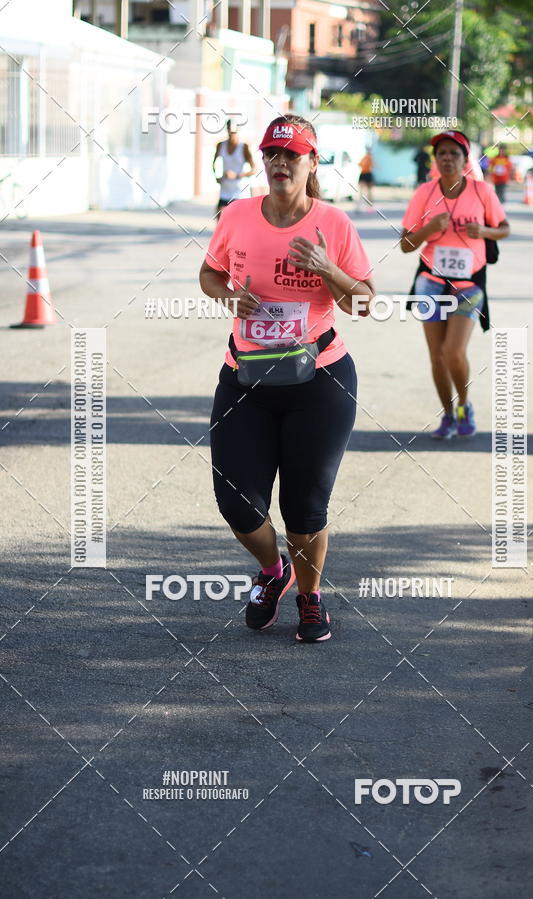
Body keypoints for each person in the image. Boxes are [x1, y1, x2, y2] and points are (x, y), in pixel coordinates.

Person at [199, 114, 374, 642]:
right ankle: (274, 571)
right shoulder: (238, 215)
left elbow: (363, 300)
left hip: (319, 383)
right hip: (245, 380)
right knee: (235, 500)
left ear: (311, 162)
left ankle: (309, 595)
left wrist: (326, 267)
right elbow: (209, 273)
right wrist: (229, 294)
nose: (279, 163)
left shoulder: (334, 224)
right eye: (272, 154)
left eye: (291, 154)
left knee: (304, 509)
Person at [400, 130, 510, 439]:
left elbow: (504, 228)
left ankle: (464, 405)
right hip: (430, 282)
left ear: (465, 159)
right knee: (436, 355)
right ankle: (447, 415)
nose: (447, 158)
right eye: (442, 154)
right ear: (436, 160)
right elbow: (406, 244)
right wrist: (429, 229)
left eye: (454, 153)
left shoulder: (482, 191)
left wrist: (484, 232)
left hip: (468, 284)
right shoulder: (424, 193)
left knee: (453, 352)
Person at [213, 119, 256, 218]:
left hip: (240, 192)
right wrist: (216, 177)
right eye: (229, 130)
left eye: (233, 131)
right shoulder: (221, 145)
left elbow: (254, 169)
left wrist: (236, 175)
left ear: (237, 130)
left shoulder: (243, 147)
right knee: (219, 218)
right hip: (225, 190)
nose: (231, 133)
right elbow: (213, 163)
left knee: (239, 221)